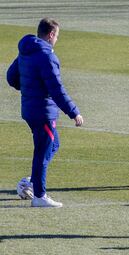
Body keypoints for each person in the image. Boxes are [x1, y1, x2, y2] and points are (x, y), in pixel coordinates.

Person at [7, 18, 84, 208]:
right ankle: (39, 196)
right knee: (42, 152)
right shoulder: (47, 56)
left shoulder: (26, 49)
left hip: (29, 108)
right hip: (42, 111)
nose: (56, 40)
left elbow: (11, 77)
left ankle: (31, 182)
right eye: (56, 36)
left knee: (53, 144)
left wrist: (29, 88)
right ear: (50, 34)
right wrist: (74, 112)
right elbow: (56, 89)